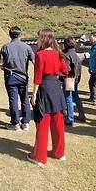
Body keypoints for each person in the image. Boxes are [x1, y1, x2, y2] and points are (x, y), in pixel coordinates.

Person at [28, 29, 69, 167]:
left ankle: (39, 157)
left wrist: (33, 94)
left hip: (44, 89)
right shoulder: (58, 53)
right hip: (56, 88)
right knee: (58, 123)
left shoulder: (39, 54)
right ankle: (59, 153)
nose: (37, 40)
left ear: (43, 39)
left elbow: (38, 77)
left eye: (39, 37)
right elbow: (65, 71)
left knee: (43, 124)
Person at [0, 26, 35, 131]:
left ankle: (15, 123)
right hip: (23, 77)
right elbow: (34, 61)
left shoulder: (5, 47)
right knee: (25, 100)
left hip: (10, 77)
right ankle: (26, 122)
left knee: (13, 100)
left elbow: (1, 64)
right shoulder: (26, 47)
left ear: (10, 35)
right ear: (20, 34)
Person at [63, 37, 86, 125]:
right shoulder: (76, 55)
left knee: (68, 98)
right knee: (76, 97)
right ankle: (81, 115)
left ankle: (70, 119)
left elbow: (66, 70)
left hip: (69, 78)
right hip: (75, 78)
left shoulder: (67, 55)